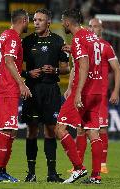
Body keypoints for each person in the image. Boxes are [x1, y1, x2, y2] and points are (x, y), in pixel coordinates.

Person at [21, 8, 70, 182]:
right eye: (35, 20)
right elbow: (15, 66)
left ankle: (51, 173)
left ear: (48, 22)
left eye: (40, 20)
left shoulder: (58, 41)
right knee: (32, 130)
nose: (36, 23)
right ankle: (31, 173)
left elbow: (66, 68)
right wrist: (28, 74)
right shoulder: (26, 42)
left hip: (50, 91)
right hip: (32, 90)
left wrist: (55, 69)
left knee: (51, 130)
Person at [55, 9, 103, 184]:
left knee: (60, 128)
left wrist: (78, 93)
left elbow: (83, 65)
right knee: (92, 132)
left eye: (62, 21)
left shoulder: (78, 38)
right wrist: (74, 50)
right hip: (98, 89)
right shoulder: (91, 36)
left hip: (84, 91)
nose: (62, 24)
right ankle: (96, 176)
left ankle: (78, 168)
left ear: (67, 22)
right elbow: (90, 57)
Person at [73, 18, 120, 174]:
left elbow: (117, 69)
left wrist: (115, 91)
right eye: (90, 26)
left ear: (101, 29)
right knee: (80, 129)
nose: (93, 29)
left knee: (101, 129)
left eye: (96, 27)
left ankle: (102, 164)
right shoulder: (84, 44)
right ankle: (78, 165)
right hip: (84, 92)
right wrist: (71, 89)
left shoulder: (106, 47)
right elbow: (77, 67)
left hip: (98, 95)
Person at [0, 9, 32, 183]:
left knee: (12, 130)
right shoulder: (13, 37)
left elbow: (5, 62)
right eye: (29, 20)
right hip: (8, 88)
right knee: (7, 129)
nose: (29, 24)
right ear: (23, 20)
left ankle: (1, 170)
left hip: (6, 85)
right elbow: (8, 61)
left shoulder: (4, 35)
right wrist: (22, 83)